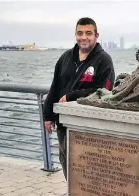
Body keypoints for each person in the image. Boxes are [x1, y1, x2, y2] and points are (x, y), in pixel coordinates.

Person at [43, 17, 115, 180]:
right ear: (75, 35)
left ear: (96, 36)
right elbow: (55, 86)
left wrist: (72, 96)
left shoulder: (104, 60)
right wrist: (48, 115)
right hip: (63, 123)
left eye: (88, 33)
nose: (84, 37)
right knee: (67, 161)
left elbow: (104, 92)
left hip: (88, 126)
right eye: (80, 33)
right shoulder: (66, 57)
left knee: (88, 166)